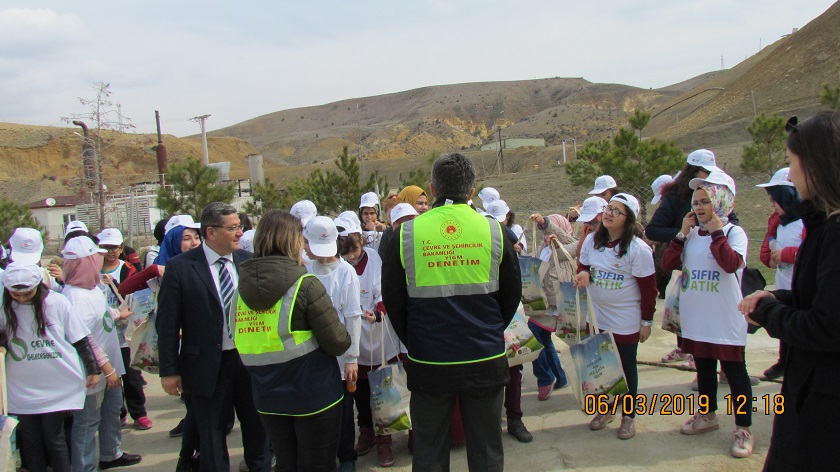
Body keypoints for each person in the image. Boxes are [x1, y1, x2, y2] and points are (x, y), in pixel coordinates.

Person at [382, 152, 521, 471]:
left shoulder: (406, 234)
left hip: (429, 360)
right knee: (486, 448)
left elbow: (394, 300)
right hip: (483, 357)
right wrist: (488, 328)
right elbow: (512, 294)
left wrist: (415, 340)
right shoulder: (495, 231)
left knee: (429, 449)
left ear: (432, 189)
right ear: (471, 192)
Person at [739, 111, 840, 470]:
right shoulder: (822, 223)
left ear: (817, 164)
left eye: (792, 162)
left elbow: (826, 327)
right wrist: (777, 298)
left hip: (823, 410)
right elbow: (817, 299)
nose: (791, 174)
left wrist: (767, 312)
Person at [156, 203, 271, 472]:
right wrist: (169, 370)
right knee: (212, 439)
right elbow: (167, 324)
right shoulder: (181, 268)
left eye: (239, 227)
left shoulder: (248, 261)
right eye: (232, 228)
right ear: (210, 232)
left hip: (248, 364)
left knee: (258, 433)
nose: (239, 233)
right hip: (206, 367)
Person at [233, 209, 350, 472]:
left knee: (286, 463)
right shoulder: (305, 284)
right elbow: (338, 342)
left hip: (267, 397)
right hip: (314, 395)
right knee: (319, 464)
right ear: (292, 241)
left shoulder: (239, 292)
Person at [662, 170, 755, 458]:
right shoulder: (692, 235)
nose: (699, 207)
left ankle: (743, 428)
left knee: (736, 374)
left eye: (705, 201)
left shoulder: (733, 233)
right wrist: (681, 234)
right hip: (697, 316)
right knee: (704, 369)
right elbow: (667, 263)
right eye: (696, 202)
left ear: (722, 202)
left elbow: (730, 264)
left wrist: (716, 231)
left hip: (724, 318)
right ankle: (707, 415)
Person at [0, 262, 101, 472]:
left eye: (27, 293)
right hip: (22, 385)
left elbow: (80, 338)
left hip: (57, 382)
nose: (21, 298)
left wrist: (92, 369)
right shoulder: (4, 307)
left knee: (54, 437)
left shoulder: (57, 302)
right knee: (30, 440)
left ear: (38, 285)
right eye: (15, 294)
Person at [646, 149, 740, 369]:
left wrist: (718, 232)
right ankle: (696, 358)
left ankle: (728, 368)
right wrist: (686, 234)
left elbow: (731, 224)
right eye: (704, 173)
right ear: (693, 172)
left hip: (719, 269)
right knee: (695, 320)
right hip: (691, 265)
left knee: (722, 322)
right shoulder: (676, 196)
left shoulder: (719, 205)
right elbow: (654, 230)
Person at [574, 193, 656, 440]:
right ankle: (606, 409)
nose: (609, 213)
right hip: (598, 317)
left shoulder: (637, 249)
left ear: (628, 219)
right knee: (602, 367)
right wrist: (584, 274)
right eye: (608, 208)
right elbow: (584, 266)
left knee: (627, 367)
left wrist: (646, 322)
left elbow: (649, 289)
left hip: (626, 320)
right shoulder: (591, 240)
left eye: (617, 211)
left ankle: (628, 416)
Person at [61, 236, 142, 471]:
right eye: (95, 256)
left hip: (111, 367)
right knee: (87, 421)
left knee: (111, 410)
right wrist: (106, 370)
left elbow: (103, 315)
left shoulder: (92, 288)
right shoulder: (74, 297)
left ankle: (111, 453)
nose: (100, 259)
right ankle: (84, 466)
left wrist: (118, 314)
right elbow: (84, 339)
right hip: (95, 372)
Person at [335, 217, 400, 467]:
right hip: (354, 338)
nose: (351, 257)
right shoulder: (339, 265)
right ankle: (366, 430)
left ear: (361, 241)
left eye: (354, 250)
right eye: (346, 253)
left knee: (382, 390)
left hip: (377, 332)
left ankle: (385, 439)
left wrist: (379, 311)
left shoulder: (374, 260)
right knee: (360, 390)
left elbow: (383, 291)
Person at [303, 216, 362, 472]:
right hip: (310, 355)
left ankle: (347, 457)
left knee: (344, 413)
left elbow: (352, 315)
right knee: (316, 413)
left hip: (340, 356)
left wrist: (352, 358)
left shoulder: (346, 272)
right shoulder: (304, 270)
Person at [97, 228, 150, 431]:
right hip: (103, 332)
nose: (111, 252)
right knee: (110, 377)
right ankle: (118, 413)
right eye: (106, 247)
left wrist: (116, 284)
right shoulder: (93, 269)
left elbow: (137, 293)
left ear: (121, 249)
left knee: (131, 375)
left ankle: (139, 413)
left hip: (126, 332)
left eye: (115, 247)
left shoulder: (127, 268)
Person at [756, 168, 803, 380]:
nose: (772, 204)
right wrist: (772, 256)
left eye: (776, 199)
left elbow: (811, 253)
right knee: (786, 326)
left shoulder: (805, 223)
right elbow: (766, 254)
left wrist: (787, 254)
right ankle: (784, 362)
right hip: (784, 283)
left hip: (802, 285)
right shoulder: (778, 222)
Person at [525, 213, 577, 401]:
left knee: (535, 335)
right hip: (544, 303)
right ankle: (555, 377)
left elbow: (565, 239)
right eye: (544, 232)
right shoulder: (543, 246)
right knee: (540, 337)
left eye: (550, 229)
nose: (546, 235)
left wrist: (546, 224)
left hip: (560, 304)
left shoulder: (569, 246)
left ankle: (548, 378)